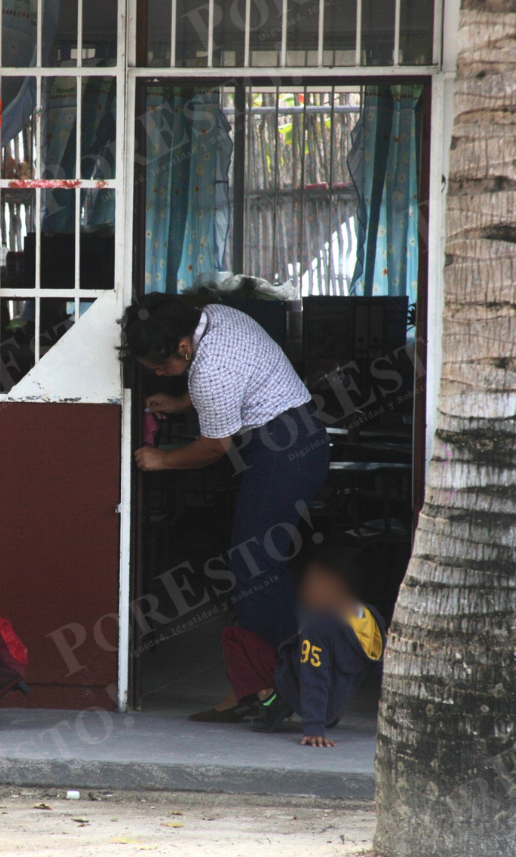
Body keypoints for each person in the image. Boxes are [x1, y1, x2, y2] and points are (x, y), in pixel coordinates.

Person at [119, 293, 330, 722]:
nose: (161, 376)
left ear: (183, 347)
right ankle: (260, 685)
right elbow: (239, 381)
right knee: (255, 567)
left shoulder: (209, 372)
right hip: (295, 432)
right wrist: (180, 403)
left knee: (255, 569)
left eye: (163, 369)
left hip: (284, 450)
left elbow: (214, 447)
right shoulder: (216, 316)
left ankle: (284, 687)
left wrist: (161, 459)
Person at [232, 542, 386, 747]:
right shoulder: (371, 617)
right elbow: (384, 669)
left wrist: (314, 727)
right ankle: (313, 708)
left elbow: (313, 674)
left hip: (297, 693)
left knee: (234, 637)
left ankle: (272, 699)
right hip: (332, 707)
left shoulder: (317, 627)